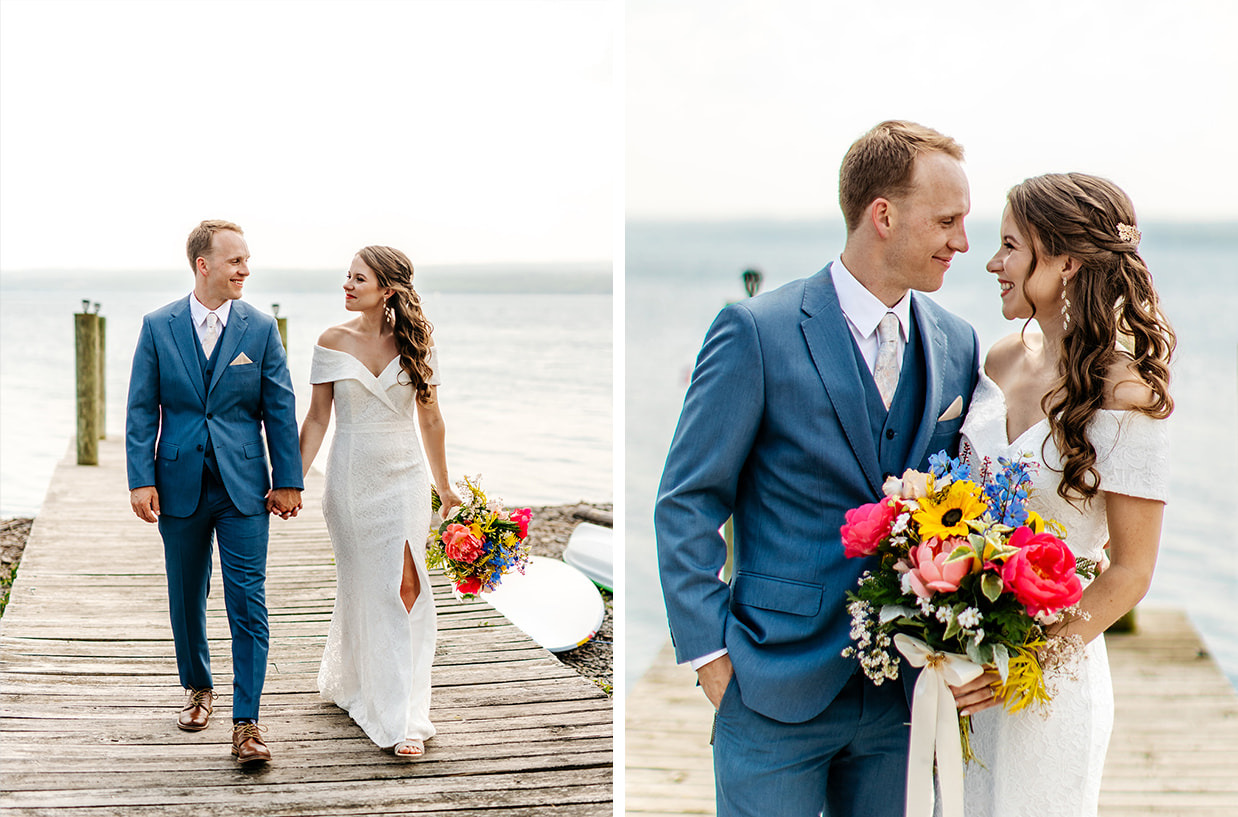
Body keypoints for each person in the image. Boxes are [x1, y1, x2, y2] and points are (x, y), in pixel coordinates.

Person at [655, 120, 981, 817]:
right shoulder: (756, 331)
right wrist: (710, 654)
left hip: (904, 692)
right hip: (774, 684)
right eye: (947, 220)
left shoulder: (957, 343)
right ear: (883, 215)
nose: (961, 242)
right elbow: (687, 498)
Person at [947, 173, 1174, 816]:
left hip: (1049, 683)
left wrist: (1021, 664)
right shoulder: (997, 361)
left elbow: (1131, 571)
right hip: (966, 668)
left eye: (1010, 246)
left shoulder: (1127, 396)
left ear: (1066, 261)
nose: (992, 263)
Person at [126, 219, 303, 765]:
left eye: (246, 260)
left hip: (244, 487)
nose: (245, 270)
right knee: (186, 594)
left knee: (248, 598)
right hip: (178, 482)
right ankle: (198, 687)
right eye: (235, 261)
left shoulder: (260, 327)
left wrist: (289, 479)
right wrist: (140, 477)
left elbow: (279, 408)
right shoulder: (159, 326)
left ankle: (247, 723)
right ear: (203, 265)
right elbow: (139, 408)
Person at [297, 245, 460, 759]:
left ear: (386, 289)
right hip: (349, 481)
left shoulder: (415, 343)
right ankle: (359, 685)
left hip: (405, 477)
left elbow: (430, 419)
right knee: (366, 586)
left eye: (358, 278)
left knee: (407, 588)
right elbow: (318, 418)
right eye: (347, 276)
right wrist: (291, 482)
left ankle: (404, 717)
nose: (347, 285)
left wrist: (445, 486)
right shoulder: (331, 340)